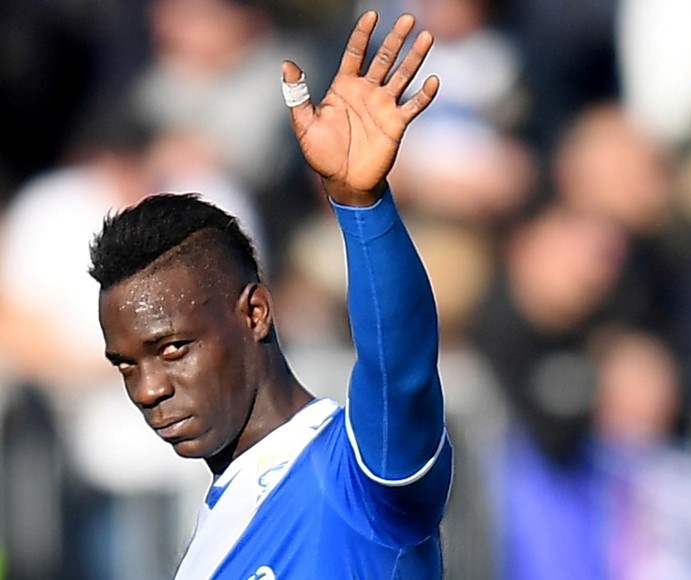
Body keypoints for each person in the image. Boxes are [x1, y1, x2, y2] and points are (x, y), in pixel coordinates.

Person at [87, 10, 452, 579]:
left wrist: (362, 205)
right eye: (126, 365)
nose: (149, 389)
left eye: (174, 349)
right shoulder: (208, 544)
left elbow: (401, 372)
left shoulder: (357, 475)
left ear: (255, 312)